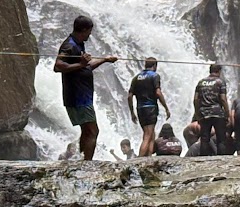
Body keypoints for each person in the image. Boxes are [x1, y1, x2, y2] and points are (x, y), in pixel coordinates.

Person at [53, 15, 118, 160]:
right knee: (93, 131)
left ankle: (82, 160)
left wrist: (105, 59)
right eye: (89, 31)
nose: (90, 34)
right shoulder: (69, 45)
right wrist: (81, 64)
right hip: (78, 97)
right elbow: (58, 66)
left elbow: (85, 68)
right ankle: (87, 164)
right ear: (83, 29)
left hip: (82, 96)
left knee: (86, 131)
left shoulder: (78, 43)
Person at [127, 56, 172, 157]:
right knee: (147, 135)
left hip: (140, 109)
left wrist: (132, 112)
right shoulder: (154, 76)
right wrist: (166, 108)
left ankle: (149, 158)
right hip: (150, 108)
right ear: (155, 65)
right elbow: (158, 92)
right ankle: (139, 161)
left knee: (151, 134)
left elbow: (129, 96)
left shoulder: (136, 77)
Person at [192, 64, 229, 155]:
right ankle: (222, 159)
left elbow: (195, 99)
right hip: (218, 113)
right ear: (219, 71)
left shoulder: (201, 82)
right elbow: (223, 99)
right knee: (221, 139)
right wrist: (227, 113)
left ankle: (204, 160)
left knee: (204, 139)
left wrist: (197, 113)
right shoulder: (220, 82)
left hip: (204, 113)